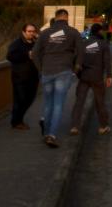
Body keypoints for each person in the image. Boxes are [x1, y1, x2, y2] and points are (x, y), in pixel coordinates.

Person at [32, 8, 84, 148]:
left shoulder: (45, 33)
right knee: (58, 104)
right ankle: (51, 135)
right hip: (64, 71)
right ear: (67, 18)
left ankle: (46, 132)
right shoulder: (73, 32)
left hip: (47, 72)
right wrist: (76, 68)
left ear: (56, 17)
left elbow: (35, 54)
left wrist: (41, 69)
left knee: (48, 103)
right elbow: (81, 51)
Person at [70, 23, 112, 136]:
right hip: (97, 78)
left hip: (84, 77)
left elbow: (75, 60)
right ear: (99, 31)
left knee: (79, 102)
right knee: (100, 102)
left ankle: (75, 126)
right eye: (102, 31)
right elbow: (107, 61)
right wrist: (109, 76)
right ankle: (103, 126)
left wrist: (78, 74)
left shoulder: (83, 44)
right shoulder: (103, 44)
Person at [6, 23, 39, 130]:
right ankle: (16, 122)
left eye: (33, 31)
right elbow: (10, 56)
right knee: (20, 99)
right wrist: (27, 55)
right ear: (24, 32)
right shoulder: (17, 43)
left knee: (30, 99)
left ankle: (18, 120)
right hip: (19, 77)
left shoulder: (36, 43)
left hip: (33, 77)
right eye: (29, 31)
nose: (31, 33)